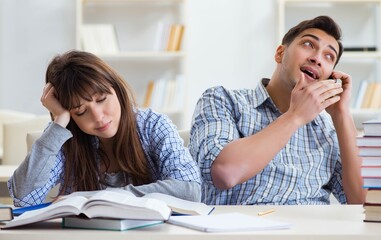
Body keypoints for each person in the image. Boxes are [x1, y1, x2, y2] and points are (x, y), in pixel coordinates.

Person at [189, 16, 366, 205]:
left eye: (329, 56)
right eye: (308, 44)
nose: (317, 58)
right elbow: (224, 173)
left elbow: (364, 203)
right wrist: (295, 116)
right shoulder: (223, 100)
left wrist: (342, 114)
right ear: (280, 54)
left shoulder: (327, 132)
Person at [8, 50, 201, 207]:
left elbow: (189, 190)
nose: (98, 117)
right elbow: (24, 198)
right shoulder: (66, 137)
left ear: (116, 88)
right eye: (81, 111)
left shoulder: (152, 125)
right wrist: (59, 122)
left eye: (101, 99)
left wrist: (95, 198)